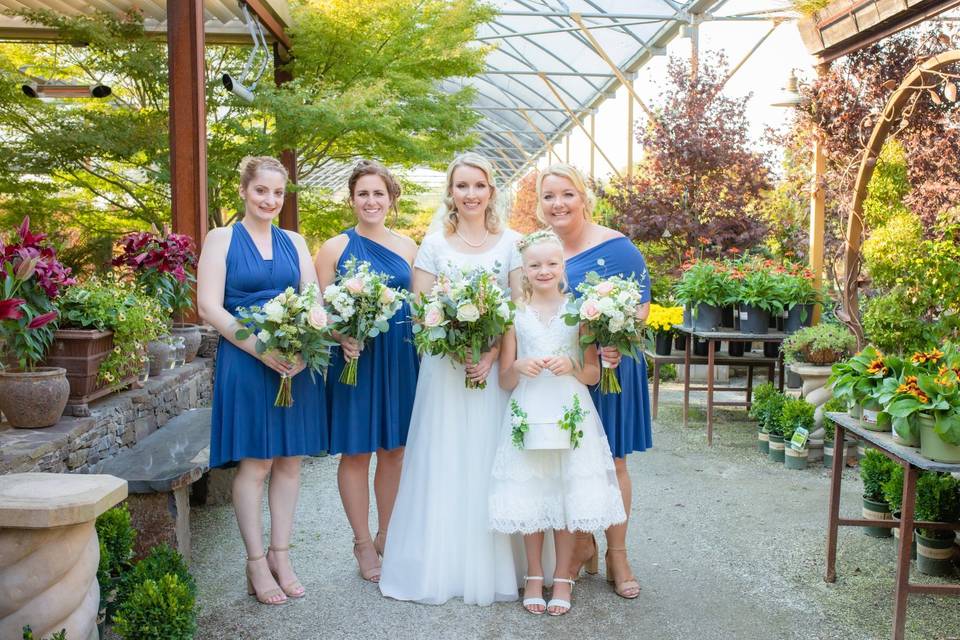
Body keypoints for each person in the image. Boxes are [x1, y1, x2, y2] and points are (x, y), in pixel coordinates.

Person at [379, 152, 522, 605]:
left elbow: (517, 311)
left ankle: (497, 567)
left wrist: (494, 352)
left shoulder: (510, 242)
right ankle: (439, 565)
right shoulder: (434, 243)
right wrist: (457, 348)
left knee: (488, 459)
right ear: (451, 193)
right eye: (462, 186)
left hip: (491, 370)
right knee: (444, 460)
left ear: (491, 191)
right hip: (445, 371)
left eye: (479, 185)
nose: (471, 194)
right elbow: (421, 313)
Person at [197, 156, 326, 605]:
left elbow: (314, 302)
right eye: (261, 191)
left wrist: (306, 349)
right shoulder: (222, 238)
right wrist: (261, 350)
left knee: (290, 461)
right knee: (257, 464)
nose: (270, 200)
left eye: (277, 193)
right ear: (243, 191)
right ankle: (254, 562)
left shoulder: (295, 240)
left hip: (294, 360)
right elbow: (209, 307)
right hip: (247, 359)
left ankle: (281, 555)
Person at [488, 230, 626, 616]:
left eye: (551, 263)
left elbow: (592, 374)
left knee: (566, 495)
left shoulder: (579, 312)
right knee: (533, 494)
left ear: (563, 266)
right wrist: (517, 365)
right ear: (524, 270)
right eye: (535, 265)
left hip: (570, 410)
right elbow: (505, 379)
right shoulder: (514, 314)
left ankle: (563, 576)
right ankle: (534, 574)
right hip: (528, 410)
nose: (543, 270)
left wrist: (572, 366)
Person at [537, 164, 652, 600]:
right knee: (567, 465)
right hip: (561, 376)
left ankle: (616, 554)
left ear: (582, 197)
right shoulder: (538, 249)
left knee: (613, 464)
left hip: (610, 370)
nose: (558, 204)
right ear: (540, 204)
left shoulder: (617, 247)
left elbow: (640, 305)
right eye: (549, 196)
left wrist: (617, 342)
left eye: (567, 194)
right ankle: (582, 542)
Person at [313, 160, 419, 583]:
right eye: (363, 194)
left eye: (379, 194)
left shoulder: (411, 247)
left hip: (398, 358)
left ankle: (387, 534)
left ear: (391, 199)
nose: (371, 201)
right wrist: (341, 336)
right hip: (354, 358)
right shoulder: (334, 248)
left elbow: (419, 307)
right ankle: (360, 543)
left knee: (395, 450)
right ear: (352, 199)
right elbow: (318, 309)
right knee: (356, 452)